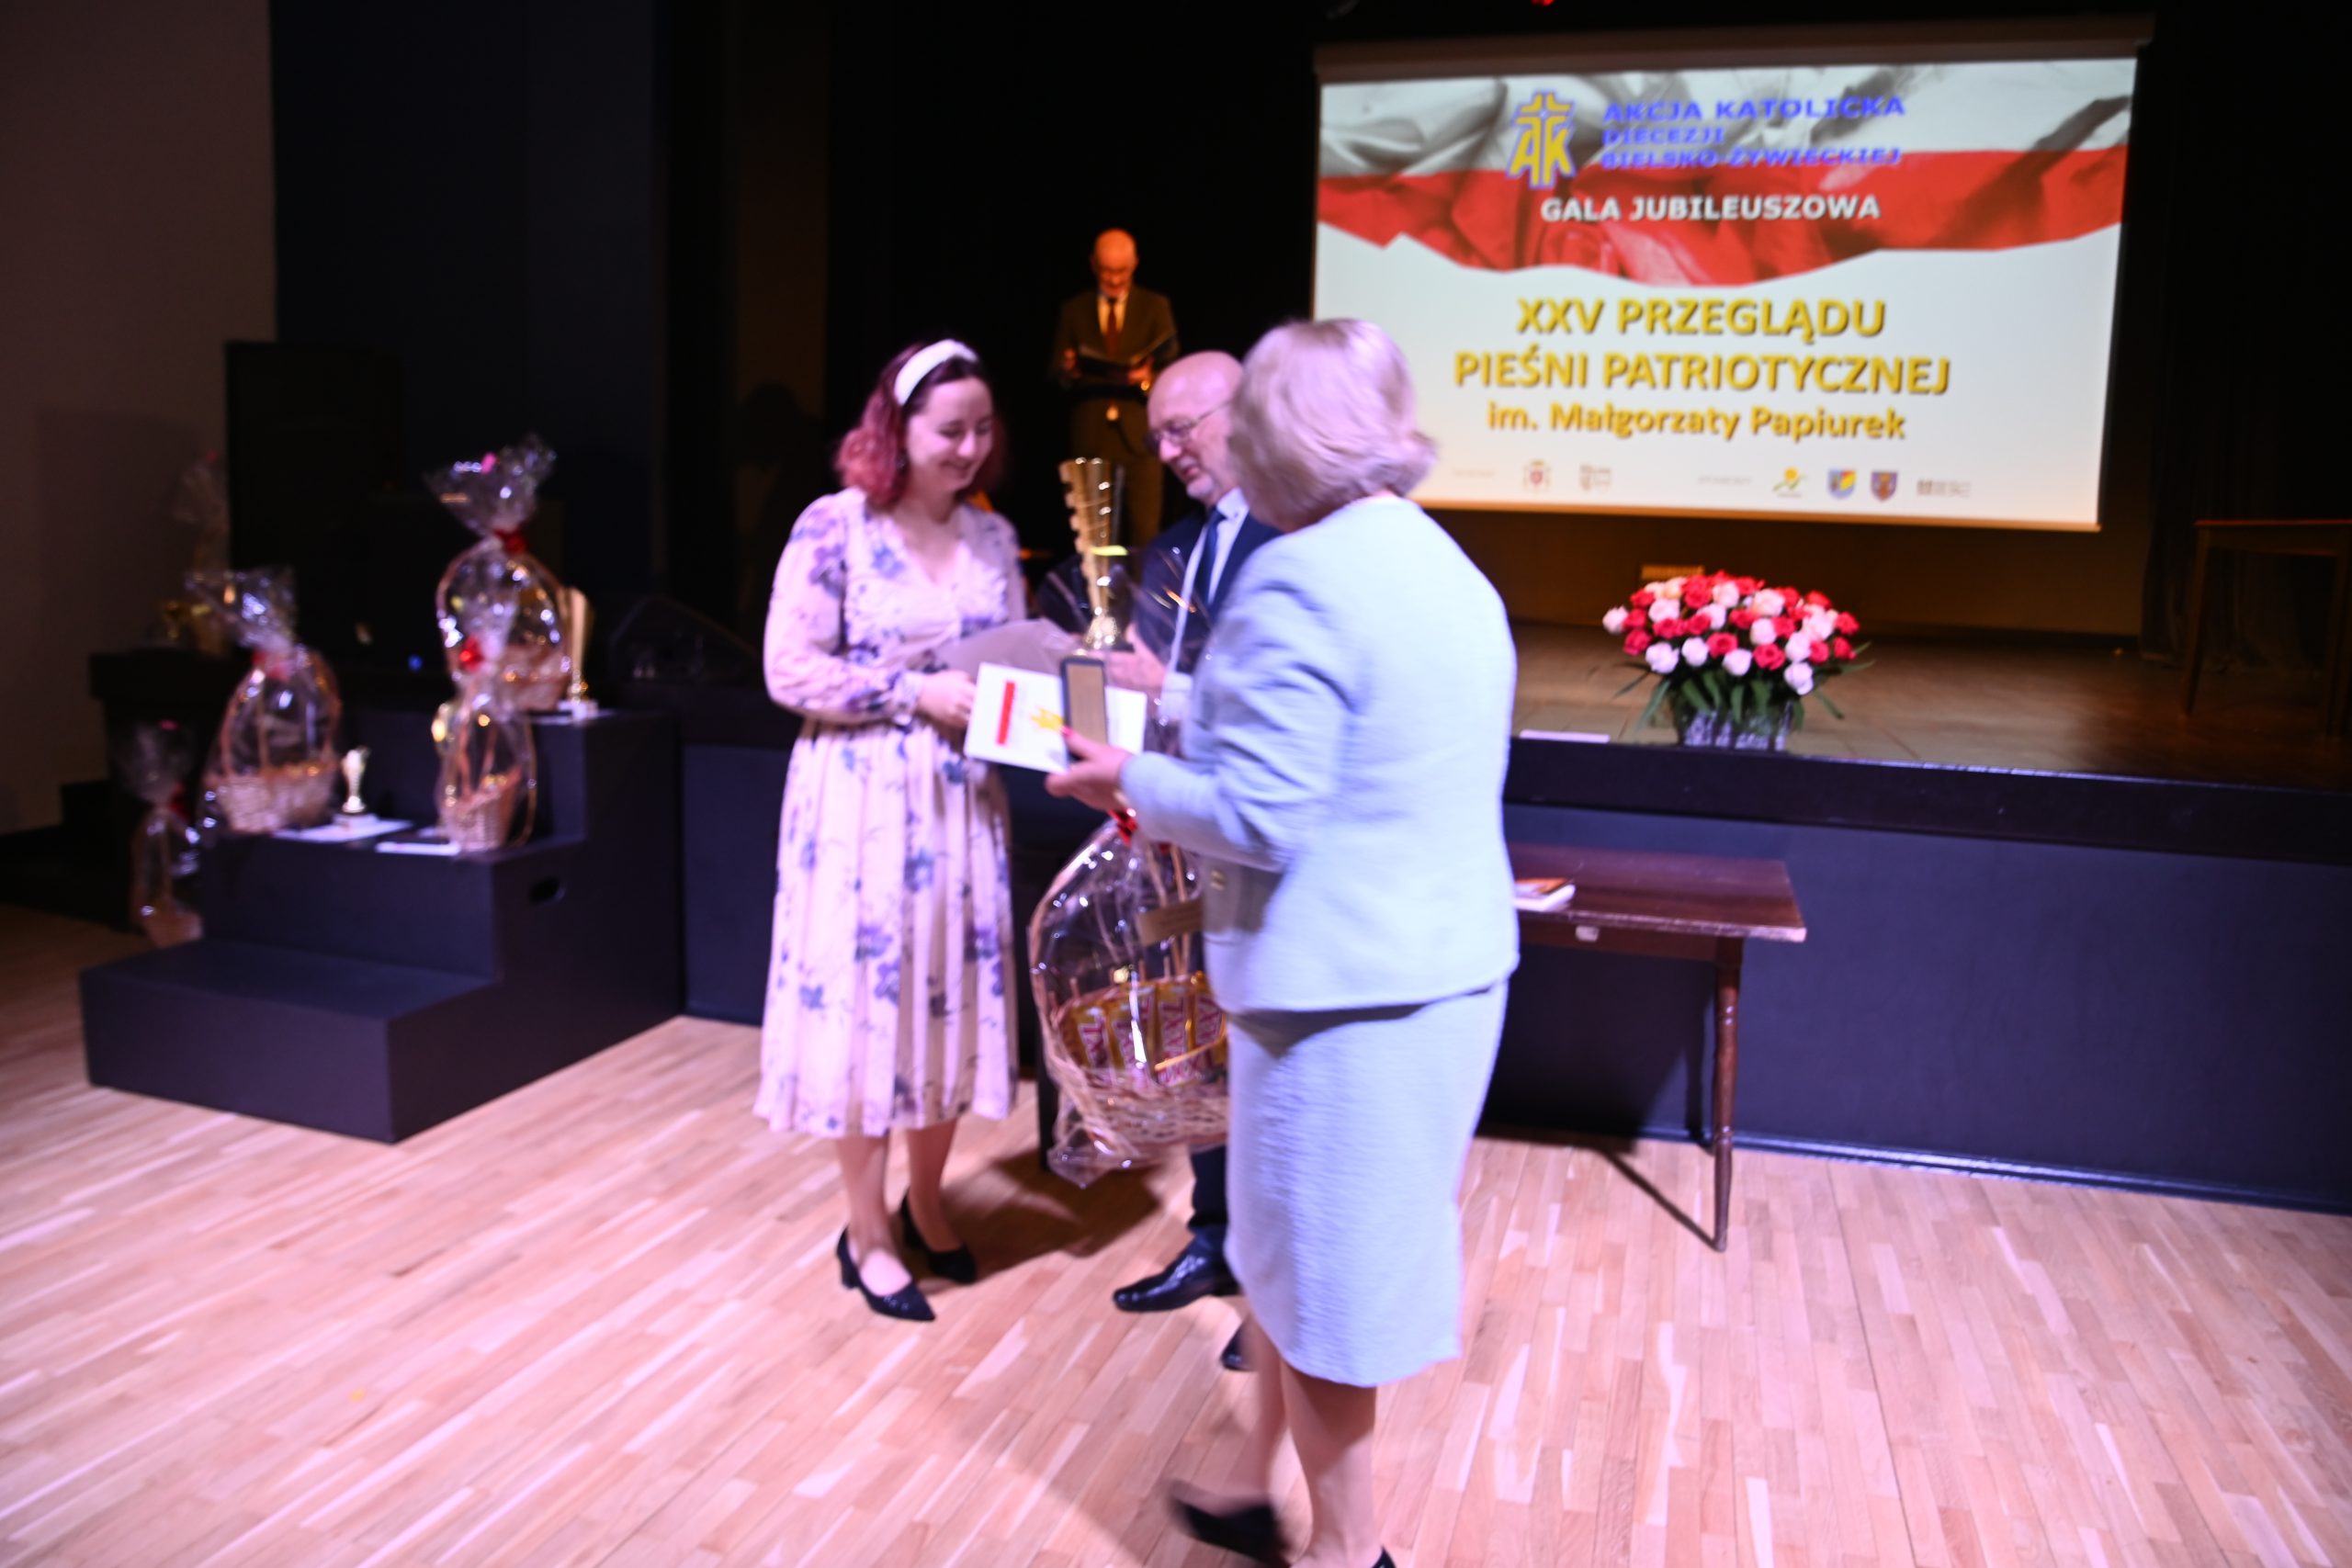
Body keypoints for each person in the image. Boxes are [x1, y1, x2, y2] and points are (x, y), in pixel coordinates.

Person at [1048, 320, 1517, 1568]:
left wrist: (1122, 779)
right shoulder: (1437, 559)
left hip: (1340, 1003)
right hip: (1438, 972)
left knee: (1323, 1302)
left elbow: (1264, 813)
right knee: (1287, 1258)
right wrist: (1178, 699)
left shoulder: (1298, 576)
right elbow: (1352, 733)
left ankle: (1348, 1552)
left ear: (1276, 436)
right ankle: (1256, 1487)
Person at [758, 340, 1026, 1324]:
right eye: (949, 430)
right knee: (869, 1015)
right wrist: (914, 692)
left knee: (947, 1001)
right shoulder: (835, 526)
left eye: (982, 429)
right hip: (860, 803)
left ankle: (929, 1201)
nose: (969, 448)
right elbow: (788, 670)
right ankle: (866, 1230)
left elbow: (1012, 666)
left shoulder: (994, 537)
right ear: (897, 430)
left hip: (961, 802)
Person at [1098, 352, 1277, 1374]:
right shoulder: (1177, 546)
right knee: (1198, 1039)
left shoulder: (1300, 536)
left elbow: (1257, 702)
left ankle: (1271, 1284)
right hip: (1180, 831)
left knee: (1259, 1057)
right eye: (1156, 434)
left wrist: (1163, 689)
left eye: (1181, 429)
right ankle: (1213, 1237)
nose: (1165, 451)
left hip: (1261, 840)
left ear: (1243, 412)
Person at [1051, 228, 1181, 550]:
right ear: (1094, 265)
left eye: (1121, 271)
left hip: (1140, 440)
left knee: (1144, 537)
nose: (1114, 279)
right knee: (1093, 540)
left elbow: (1172, 371)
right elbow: (1055, 372)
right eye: (1107, 271)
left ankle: (1140, 588)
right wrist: (1068, 370)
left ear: (1134, 264)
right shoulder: (1074, 309)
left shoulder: (1155, 306)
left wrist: (1146, 379)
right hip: (1091, 437)